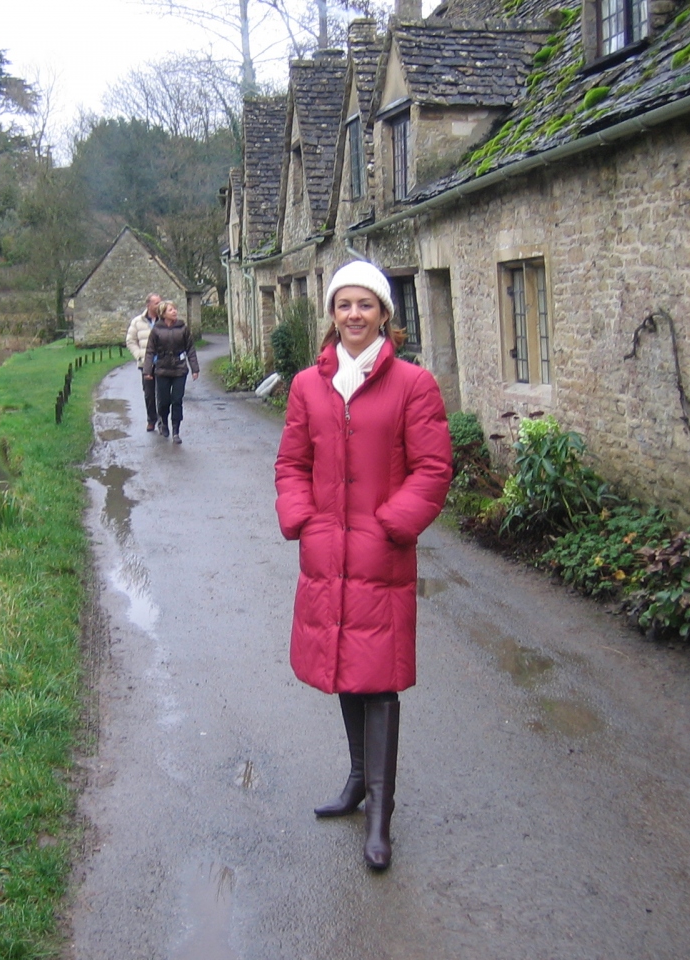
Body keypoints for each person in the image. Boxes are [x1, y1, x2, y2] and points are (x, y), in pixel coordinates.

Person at [274, 260, 453, 871]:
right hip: (327, 552)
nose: (354, 315)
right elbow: (292, 463)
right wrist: (303, 519)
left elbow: (433, 469)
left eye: (365, 304)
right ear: (332, 313)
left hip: (380, 555)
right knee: (344, 667)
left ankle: (381, 812)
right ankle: (356, 780)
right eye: (344, 304)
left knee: (378, 680)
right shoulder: (307, 385)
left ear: (383, 313)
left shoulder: (413, 385)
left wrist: (391, 525)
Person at [142, 300, 199, 444]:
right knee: (163, 401)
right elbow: (150, 351)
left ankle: (176, 430)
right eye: (170, 310)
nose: (174, 311)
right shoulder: (156, 330)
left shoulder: (183, 328)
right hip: (162, 370)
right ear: (163, 314)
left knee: (177, 400)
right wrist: (147, 370)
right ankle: (164, 422)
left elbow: (190, 349)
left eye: (175, 309)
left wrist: (195, 369)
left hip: (179, 369)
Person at [126, 293, 161, 432]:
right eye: (156, 303)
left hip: (163, 363)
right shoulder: (137, 321)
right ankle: (151, 420)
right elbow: (130, 341)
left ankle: (162, 421)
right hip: (146, 364)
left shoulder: (165, 320)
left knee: (163, 394)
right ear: (148, 305)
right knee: (149, 394)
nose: (159, 305)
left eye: (160, 302)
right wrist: (139, 355)